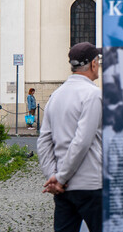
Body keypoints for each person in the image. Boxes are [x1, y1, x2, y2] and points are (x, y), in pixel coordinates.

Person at [38, 42, 104, 232]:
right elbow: (82, 141)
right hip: (90, 184)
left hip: (63, 189)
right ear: (93, 64)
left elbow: (44, 141)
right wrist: (60, 178)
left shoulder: (56, 96)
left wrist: (52, 176)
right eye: (98, 61)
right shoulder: (93, 95)